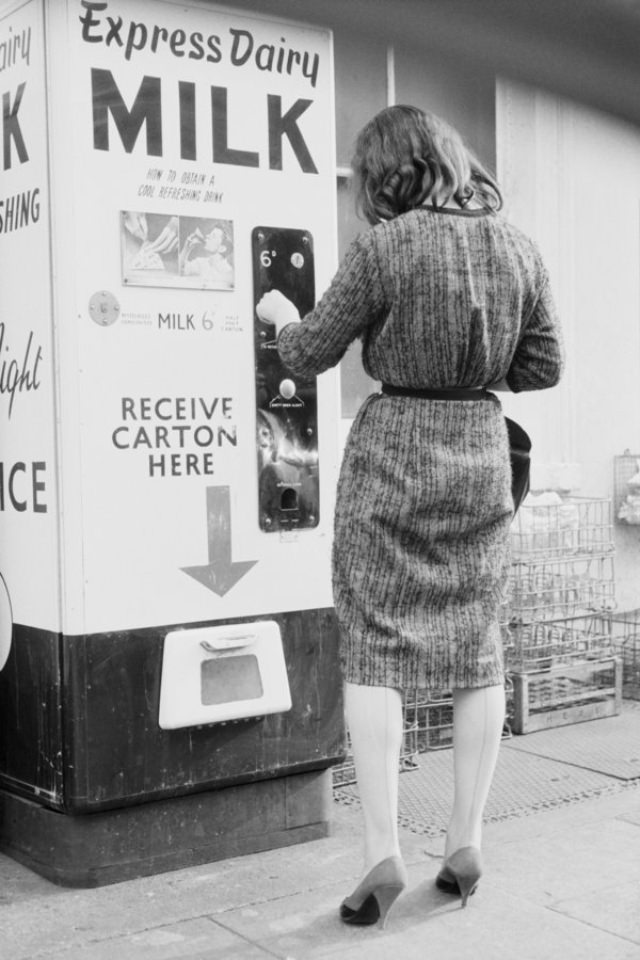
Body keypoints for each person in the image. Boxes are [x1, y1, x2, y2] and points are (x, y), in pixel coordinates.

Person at [257, 105, 564, 928]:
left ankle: (383, 851)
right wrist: (478, 352)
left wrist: (281, 315)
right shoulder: (519, 247)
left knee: (373, 645)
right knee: (476, 641)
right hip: (477, 447)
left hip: (394, 450)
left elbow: (308, 352)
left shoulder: (384, 248)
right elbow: (544, 365)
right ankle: (464, 841)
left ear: (387, 173)